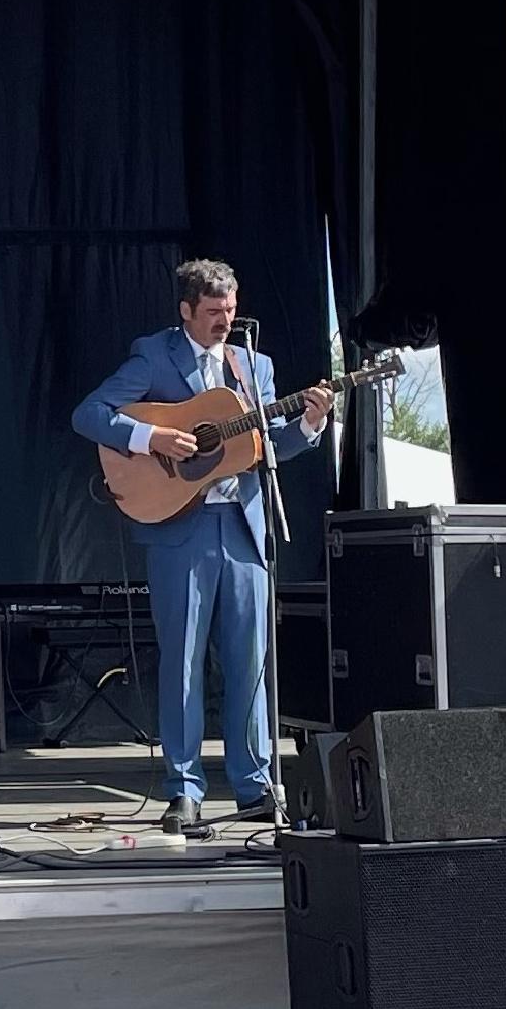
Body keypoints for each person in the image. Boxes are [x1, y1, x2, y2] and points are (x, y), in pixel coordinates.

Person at [71, 259, 332, 830]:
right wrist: (152, 435)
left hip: (242, 529)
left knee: (251, 664)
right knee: (183, 661)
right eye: (213, 312)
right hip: (179, 530)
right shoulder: (154, 355)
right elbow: (89, 415)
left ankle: (255, 785)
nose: (224, 321)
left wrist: (309, 427)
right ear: (186, 310)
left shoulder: (252, 365)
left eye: (231, 311)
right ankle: (184, 788)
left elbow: (265, 447)